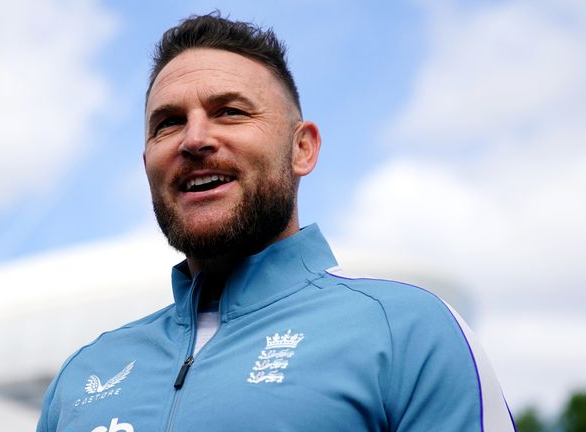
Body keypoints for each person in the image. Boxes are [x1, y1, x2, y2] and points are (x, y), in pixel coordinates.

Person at [37, 13, 515, 432]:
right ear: (148, 164)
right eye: (168, 122)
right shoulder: (83, 375)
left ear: (301, 148)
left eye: (230, 111)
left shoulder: (408, 330)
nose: (195, 139)